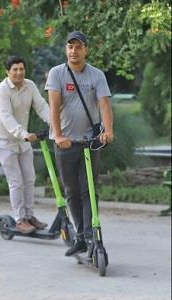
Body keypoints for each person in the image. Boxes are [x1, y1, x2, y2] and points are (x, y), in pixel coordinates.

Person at [45, 31, 114, 256]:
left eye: (78, 47)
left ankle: (89, 235)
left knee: (89, 189)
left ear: (86, 49)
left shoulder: (96, 75)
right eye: (70, 47)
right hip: (64, 143)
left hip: (89, 142)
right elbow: (53, 107)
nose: (74, 51)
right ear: (66, 49)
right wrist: (57, 135)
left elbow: (104, 104)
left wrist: (108, 130)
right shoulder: (57, 74)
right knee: (72, 190)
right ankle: (80, 236)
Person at [0, 55, 50, 234]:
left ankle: (29, 216)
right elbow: (6, 118)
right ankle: (19, 219)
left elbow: (41, 106)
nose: (19, 72)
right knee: (16, 182)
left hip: (23, 140)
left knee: (29, 178)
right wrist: (24, 134)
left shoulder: (29, 86)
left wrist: (55, 125)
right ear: (8, 72)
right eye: (14, 69)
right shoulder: (1, 90)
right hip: (4, 140)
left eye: (21, 69)